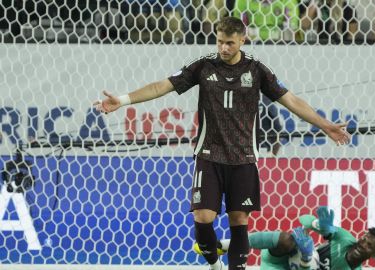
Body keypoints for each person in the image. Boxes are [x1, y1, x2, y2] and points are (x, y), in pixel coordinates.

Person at [93, 16, 350, 270]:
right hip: (209, 155)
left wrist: (325, 125)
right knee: (202, 219)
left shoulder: (257, 70)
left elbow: (291, 100)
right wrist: (123, 100)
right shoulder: (204, 66)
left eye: (229, 43)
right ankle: (215, 264)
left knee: (239, 221)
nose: (224, 48)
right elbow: (162, 86)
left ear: (242, 40)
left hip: (244, 158)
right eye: (219, 42)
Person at [195, 206, 375, 269]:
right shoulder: (345, 239)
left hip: (299, 266)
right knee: (288, 238)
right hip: (280, 260)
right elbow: (303, 219)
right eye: (365, 238)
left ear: (374, 255)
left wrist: (305, 260)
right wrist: (318, 225)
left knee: (310, 260)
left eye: (370, 246)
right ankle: (223, 245)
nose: (363, 244)